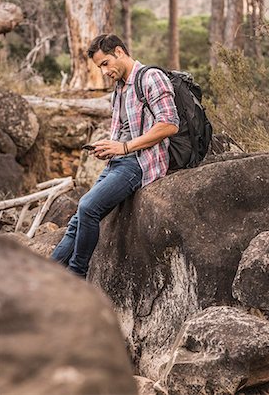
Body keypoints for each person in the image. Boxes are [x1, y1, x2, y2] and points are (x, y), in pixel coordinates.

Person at [51, 34, 179, 278]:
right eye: (100, 67)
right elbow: (123, 131)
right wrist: (109, 148)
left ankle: (76, 277)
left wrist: (125, 147)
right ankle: (45, 277)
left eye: (105, 63)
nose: (104, 71)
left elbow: (169, 124)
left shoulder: (151, 77)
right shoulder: (119, 88)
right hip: (119, 160)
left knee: (88, 207)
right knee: (77, 221)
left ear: (119, 52)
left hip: (139, 162)